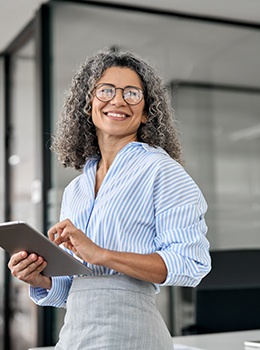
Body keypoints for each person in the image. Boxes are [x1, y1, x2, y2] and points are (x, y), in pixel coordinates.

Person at [8, 48, 211, 349]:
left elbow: (191, 263)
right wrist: (41, 279)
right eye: (106, 90)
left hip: (132, 334)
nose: (117, 100)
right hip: (75, 337)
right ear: (88, 103)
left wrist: (101, 254)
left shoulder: (161, 170)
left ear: (146, 112)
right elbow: (79, 287)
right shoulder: (76, 189)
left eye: (132, 93)